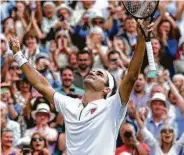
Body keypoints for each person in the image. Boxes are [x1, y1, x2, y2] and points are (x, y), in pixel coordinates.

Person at [9, 20, 153, 155]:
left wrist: (141, 40)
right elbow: (41, 85)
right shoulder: (70, 104)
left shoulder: (112, 105)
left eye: (99, 74)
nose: (93, 72)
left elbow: (132, 76)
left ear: (106, 90)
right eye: (93, 71)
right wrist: (18, 55)